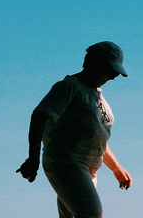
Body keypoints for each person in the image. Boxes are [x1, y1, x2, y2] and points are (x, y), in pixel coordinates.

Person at [16, 41, 132, 218]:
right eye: (110, 69)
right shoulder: (68, 87)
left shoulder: (98, 96)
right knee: (91, 214)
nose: (113, 76)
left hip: (89, 169)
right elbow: (40, 116)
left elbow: (96, 136)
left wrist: (116, 168)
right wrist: (33, 158)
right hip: (66, 162)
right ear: (92, 62)